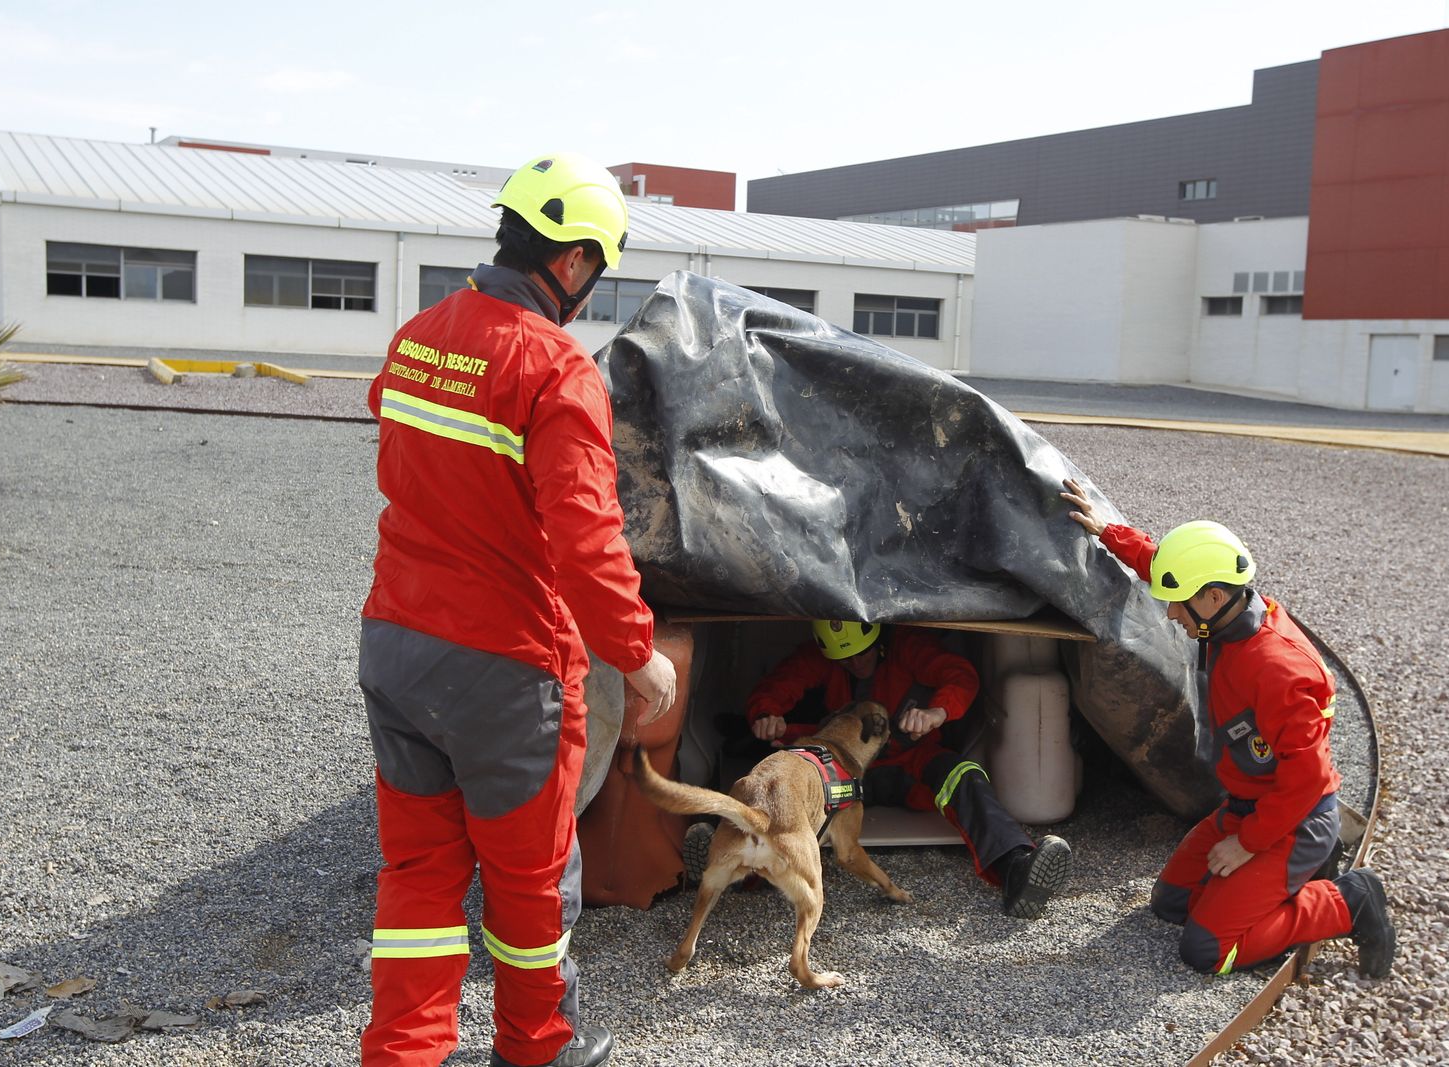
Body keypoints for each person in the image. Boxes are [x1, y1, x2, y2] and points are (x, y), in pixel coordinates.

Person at [358, 152, 677, 1067]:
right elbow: (587, 540)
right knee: (531, 882)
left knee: (418, 874)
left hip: (395, 644)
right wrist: (638, 650)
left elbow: (404, 441)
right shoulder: (555, 368)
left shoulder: (419, 333)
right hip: (504, 667)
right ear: (575, 261)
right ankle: (540, 1049)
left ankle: (401, 1053)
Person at [1059, 478, 1395, 978]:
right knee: (1172, 904)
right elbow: (1162, 563)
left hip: (1292, 821)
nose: (1170, 613)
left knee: (1207, 950)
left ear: (1214, 598)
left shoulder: (1280, 670)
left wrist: (1248, 844)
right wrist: (1109, 531)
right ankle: (1269, 889)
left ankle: (1348, 901)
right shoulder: (1223, 610)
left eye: (1177, 603)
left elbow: (1304, 781)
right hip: (1244, 806)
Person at [688, 619, 1073, 919]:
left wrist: (938, 712)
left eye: (863, 654)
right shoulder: (821, 655)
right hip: (841, 775)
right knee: (788, 804)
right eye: (846, 659)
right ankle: (731, 863)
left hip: (909, 763)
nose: (855, 664)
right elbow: (775, 687)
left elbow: (959, 675)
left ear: (880, 639)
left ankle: (1015, 867)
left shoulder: (908, 646)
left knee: (963, 776)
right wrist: (764, 716)